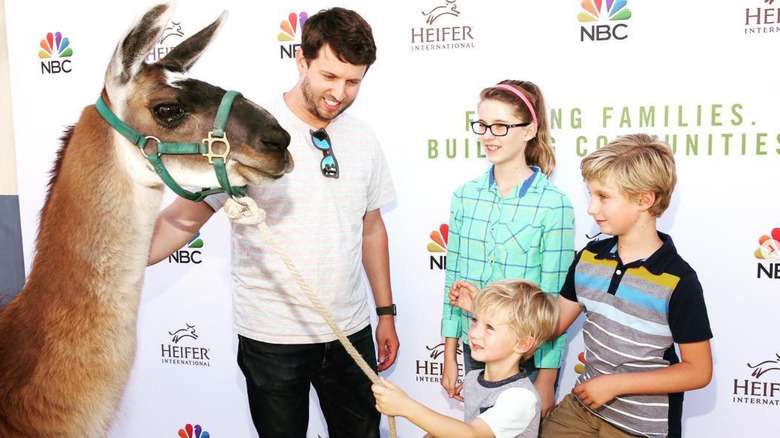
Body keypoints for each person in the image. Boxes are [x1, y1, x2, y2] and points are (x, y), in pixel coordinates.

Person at [148, 8, 398, 437]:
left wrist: (386, 313)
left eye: (353, 81)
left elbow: (371, 228)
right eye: (329, 76)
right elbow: (181, 221)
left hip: (349, 333)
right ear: (301, 60)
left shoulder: (364, 139)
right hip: (271, 341)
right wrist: (110, 260)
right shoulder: (248, 132)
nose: (340, 92)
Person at [540, 134, 713, 438]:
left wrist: (616, 384)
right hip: (582, 409)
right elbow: (552, 325)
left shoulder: (678, 280)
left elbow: (699, 371)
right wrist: (487, 307)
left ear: (644, 200)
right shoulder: (589, 257)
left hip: (642, 428)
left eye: (603, 196)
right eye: (590, 195)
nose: (592, 209)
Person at [441, 80, 575, 417]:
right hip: (475, 350)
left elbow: (553, 302)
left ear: (530, 130)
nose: (488, 136)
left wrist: (547, 379)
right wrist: (449, 355)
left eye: (500, 126)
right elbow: (452, 283)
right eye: (483, 125)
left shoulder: (553, 205)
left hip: (525, 357)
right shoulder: (464, 197)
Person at [373, 279, 558, 438]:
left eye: (490, 327)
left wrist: (406, 407)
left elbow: (473, 434)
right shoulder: (473, 379)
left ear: (523, 344)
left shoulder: (521, 398)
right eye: (475, 320)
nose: (474, 334)